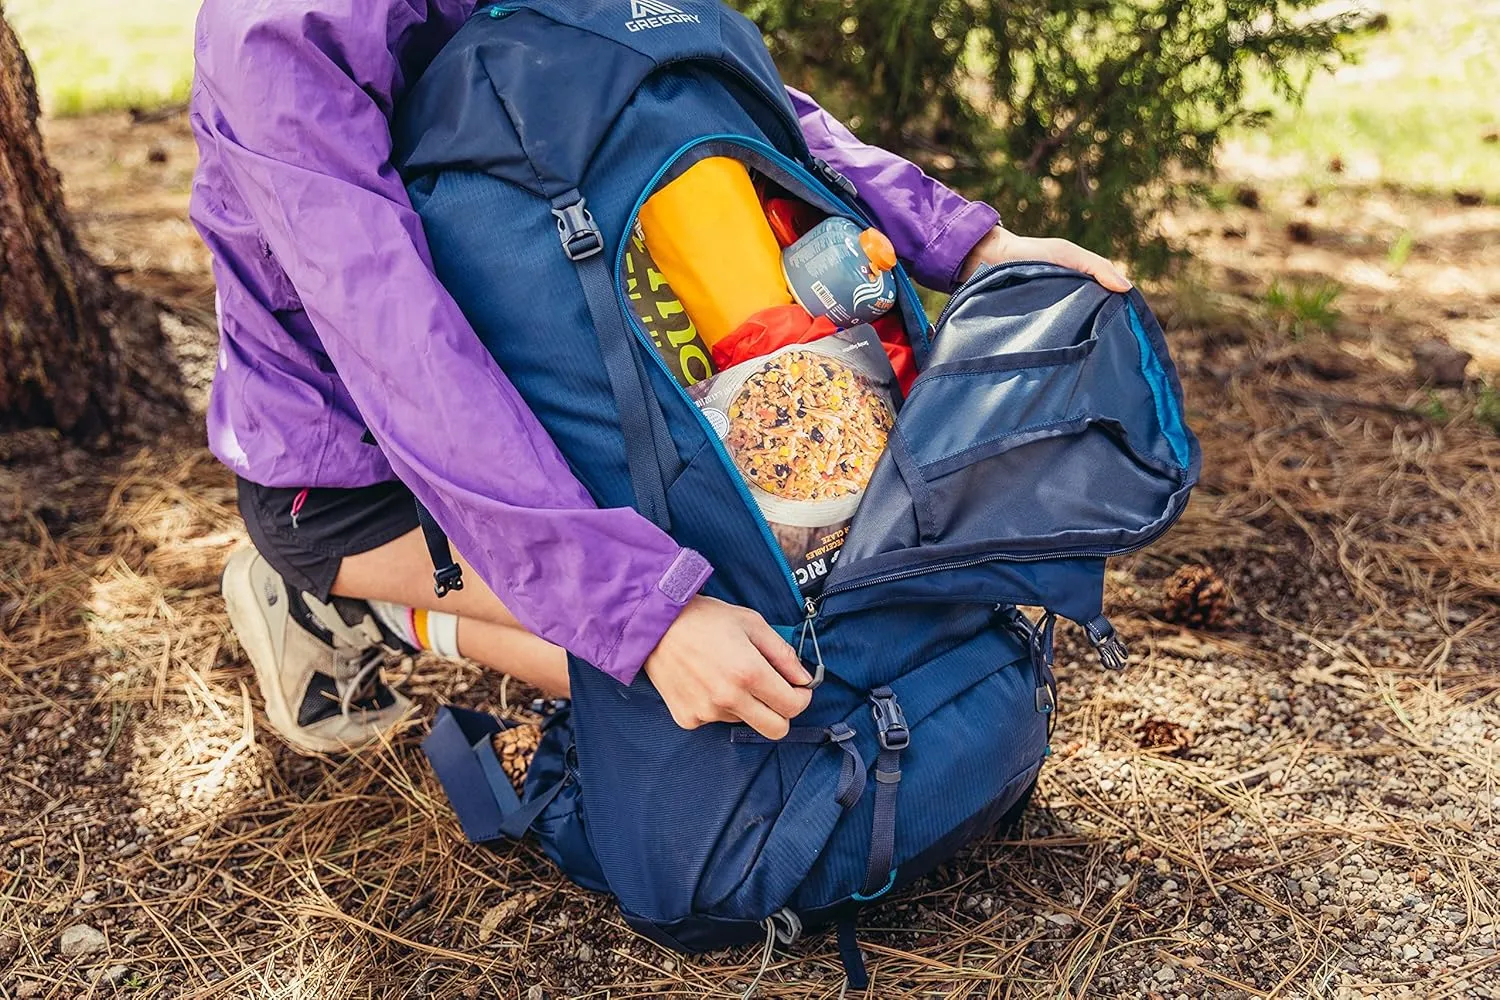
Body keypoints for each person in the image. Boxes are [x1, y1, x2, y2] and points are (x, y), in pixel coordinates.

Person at [190, 0, 1131, 756]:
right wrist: (648, 614)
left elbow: (697, 95)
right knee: (760, 690)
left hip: (534, 393)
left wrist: (968, 242)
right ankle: (360, 605)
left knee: (777, 622)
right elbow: (403, 352)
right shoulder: (276, 31)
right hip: (356, 476)